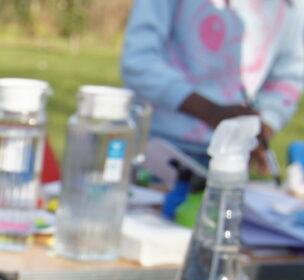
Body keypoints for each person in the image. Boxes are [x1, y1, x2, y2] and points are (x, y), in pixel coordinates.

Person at [121, 0, 304, 171]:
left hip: (230, 154)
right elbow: (139, 61)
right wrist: (210, 111)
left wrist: (263, 125)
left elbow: (288, 76)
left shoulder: (293, 7)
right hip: (153, 146)